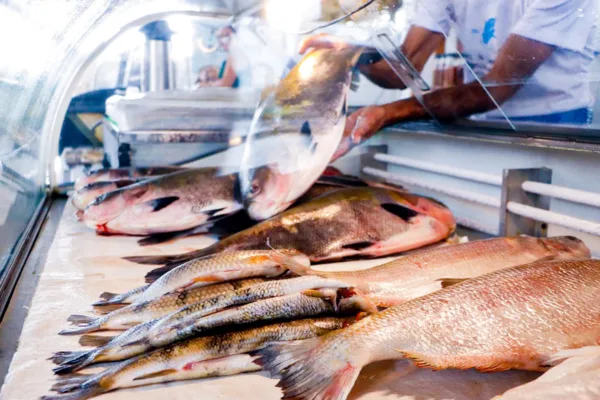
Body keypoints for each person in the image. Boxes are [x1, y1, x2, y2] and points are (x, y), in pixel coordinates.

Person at [300, 0, 598, 160]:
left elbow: (497, 87)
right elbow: (401, 70)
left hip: (559, 127)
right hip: (483, 122)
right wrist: (353, 54)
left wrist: (386, 113)